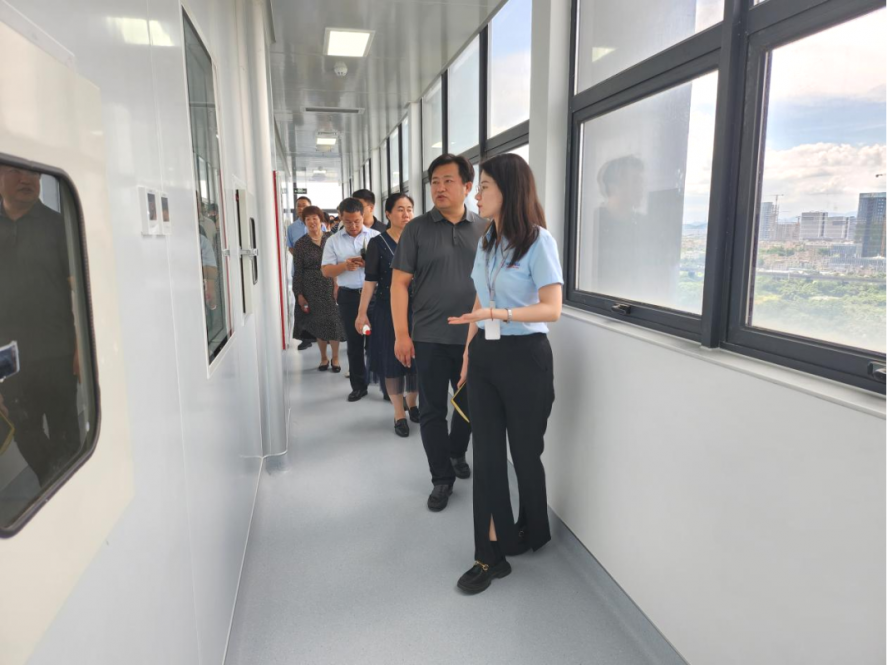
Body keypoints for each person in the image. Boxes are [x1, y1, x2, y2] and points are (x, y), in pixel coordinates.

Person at [447, 153, 563, 594]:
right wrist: (467, 352)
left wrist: (501, 314)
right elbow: (481, 299)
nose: (476, 195)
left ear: (509, 190)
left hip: (526, 358)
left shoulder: (538, 241)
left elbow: (552, 309)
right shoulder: (487, 241)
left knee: (526, 454)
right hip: (486, 356)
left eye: (484, 187)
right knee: (488, 456)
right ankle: (490, 554)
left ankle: (531, 528)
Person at [391, 154, 486, 512]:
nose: (440, 188)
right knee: (432, 410)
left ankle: (457, 451)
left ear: (467, 186)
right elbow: (399, 284)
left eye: (448, 181)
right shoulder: (416, 229)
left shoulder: (486, 228)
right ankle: (441, 478)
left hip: (475, 336)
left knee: (470, 405)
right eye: (434, 181)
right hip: (429, 335)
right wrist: (402, 334)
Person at [0, 165, 81, 486]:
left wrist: (82, 349)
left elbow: (80, 292)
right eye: (14, 171)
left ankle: (62, 491)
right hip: (7, 358)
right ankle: (55, 486)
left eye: (33, 174)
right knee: (22, 429)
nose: (26, 179)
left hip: (57, 351)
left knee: (66, 433)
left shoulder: (58, 227)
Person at [355, 193, 420, 437]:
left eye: (410, 209)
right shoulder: (378, 243)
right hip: (387, 310)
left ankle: (412, 403)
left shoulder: (419, 239)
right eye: (400, 209)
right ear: (388, 214)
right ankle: (398, 413)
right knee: (392, 363)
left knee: (418, 361)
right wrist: (362, 313)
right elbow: (370, 281)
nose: (406, 214)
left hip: (419, 310)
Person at [321, 198, 379, 401]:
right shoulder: (333, 241)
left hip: (375, 297)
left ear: (363, 216)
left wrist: (368, 264)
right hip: (349, 297)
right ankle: (359, 386)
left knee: (377, 343)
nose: (353, 226)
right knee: (354, 344)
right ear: (341, 218)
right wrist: (344, 266)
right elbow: (326, 271)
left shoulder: (376, 237)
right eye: (348, 222)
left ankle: (385, 386)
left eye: (357, 221)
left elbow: (388, 268)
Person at [293, 206, 346, 371]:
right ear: (304, 222)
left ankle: (335, 358)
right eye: (308, 219)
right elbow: (298, 271)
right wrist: (299, 294)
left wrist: (337, 284)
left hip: (331, 284)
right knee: (319, 324)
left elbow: (338, 262)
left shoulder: (331, 238)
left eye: (314, 218)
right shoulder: (300, 244)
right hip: (311, 288)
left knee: (334, 323)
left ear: (321, 220)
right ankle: (323, 358)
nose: (312, 222)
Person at [288, 195, 314, 350]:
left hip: (317, 272)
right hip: (299, 272)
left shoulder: (319, 225)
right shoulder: (292, 228)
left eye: (304, 205)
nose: (301, 208)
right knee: (301, 304)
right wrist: (301, 258)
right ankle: (305, 338)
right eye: (298, 205)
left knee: (317, 303)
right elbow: (290, 247)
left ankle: (318, 334)